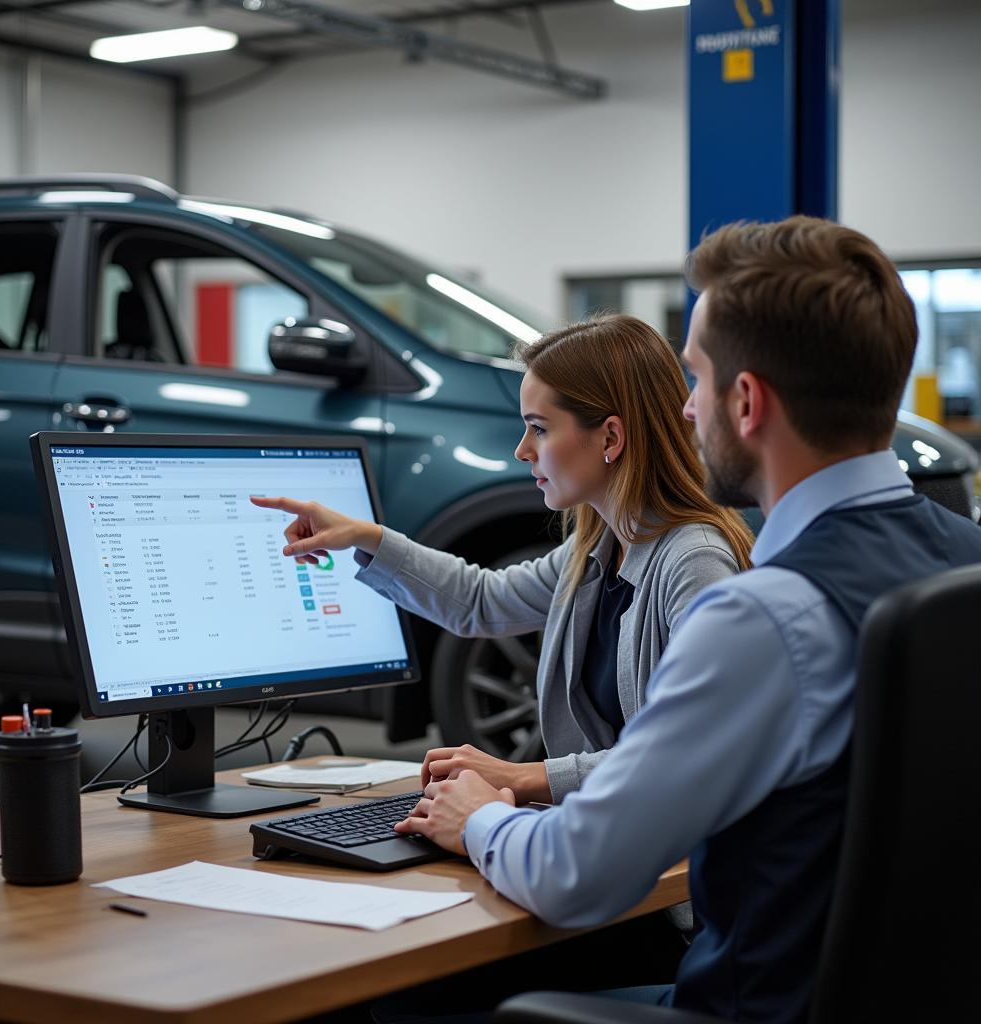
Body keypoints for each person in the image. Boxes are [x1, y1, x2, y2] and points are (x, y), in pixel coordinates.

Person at [389, 217, 981, 1023]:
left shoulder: (765, 615)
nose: (686, 407)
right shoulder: (963, 558)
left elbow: (577, 872)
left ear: (747, 402)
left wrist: (481, 816)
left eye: (695, 378)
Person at [253, 314, 753, 809]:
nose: (521, 451)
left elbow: (691, 752)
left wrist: (520, 777)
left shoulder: (694, 562)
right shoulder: (598, 546)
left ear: (610, 438)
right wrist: (368, 538)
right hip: (620, 828)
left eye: (538, 429)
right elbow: (482, 601)